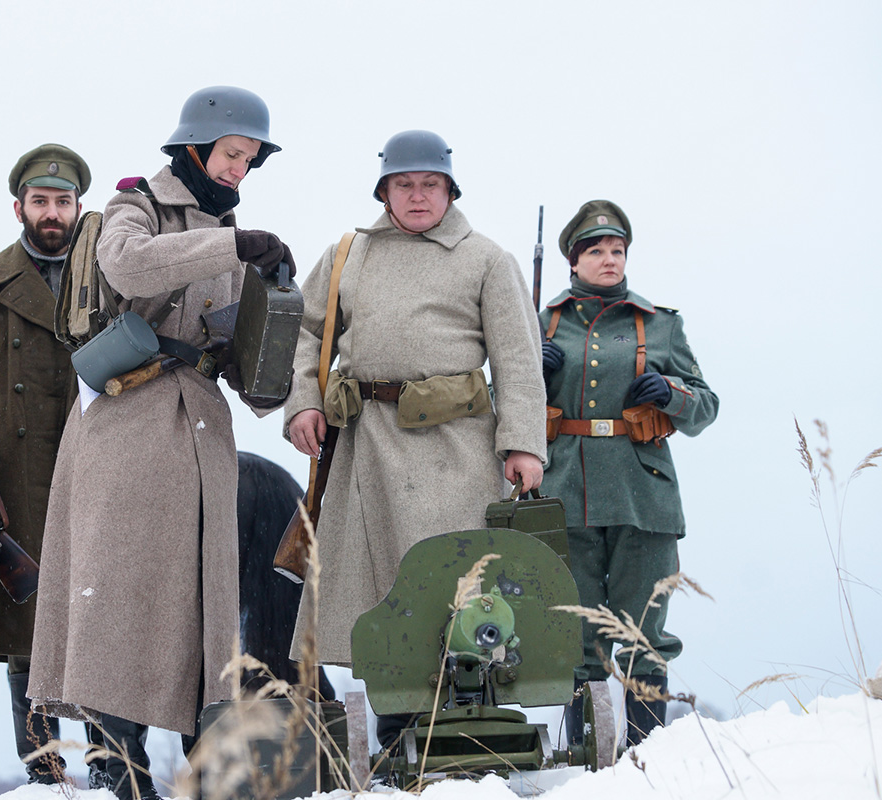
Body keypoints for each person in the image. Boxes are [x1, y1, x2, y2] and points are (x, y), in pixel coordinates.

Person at [28, 86, 292, 800]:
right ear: (197, 147)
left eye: (250, 160)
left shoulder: (232, 237)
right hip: (128, 422)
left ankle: (204, 769)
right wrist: (233, 244)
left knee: (200, 610)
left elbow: (249, 370)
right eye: (234, 154)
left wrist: (279, 333)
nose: (241, 169)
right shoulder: (134, 203)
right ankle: (118, 764)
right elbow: (128, 266)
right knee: (119, 599)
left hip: (202, 430)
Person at [283, 130, 547, 747]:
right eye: (404, 184)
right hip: (365, 448)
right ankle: (400, 733)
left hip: (457, 450)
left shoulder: (486, 258)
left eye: (430, 184)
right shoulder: (349, 253)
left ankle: (471, 732)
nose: (418, 195)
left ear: (450, 190)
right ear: (384, 191)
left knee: (460, 588)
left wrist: (524, 443)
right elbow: (302, 330)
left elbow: (518, 359)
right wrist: (302, 404)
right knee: (380, 593)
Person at [0, 144, 107, 784]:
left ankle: (114, 769)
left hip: (95, 463)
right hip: (15, 476)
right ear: (19, 207)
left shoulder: (107, 280)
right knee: (28, 629)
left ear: (77, 209)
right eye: (39, 201)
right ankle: (45, 777)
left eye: (62, 202)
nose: (51, 213)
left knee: (101, 618)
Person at [539, 199, 718, 746]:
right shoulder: (541, 322)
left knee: (645, 631)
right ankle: (585, 756)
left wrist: (672, 393)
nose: (610, 259)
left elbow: (706, 406)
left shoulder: (660, 325)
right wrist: (530, 377)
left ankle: (649, 755)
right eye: (596, 250)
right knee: (579, 635)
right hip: (567, 492)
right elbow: (500, 405)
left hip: (644, 495)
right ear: (574, 260)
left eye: (617, 250)